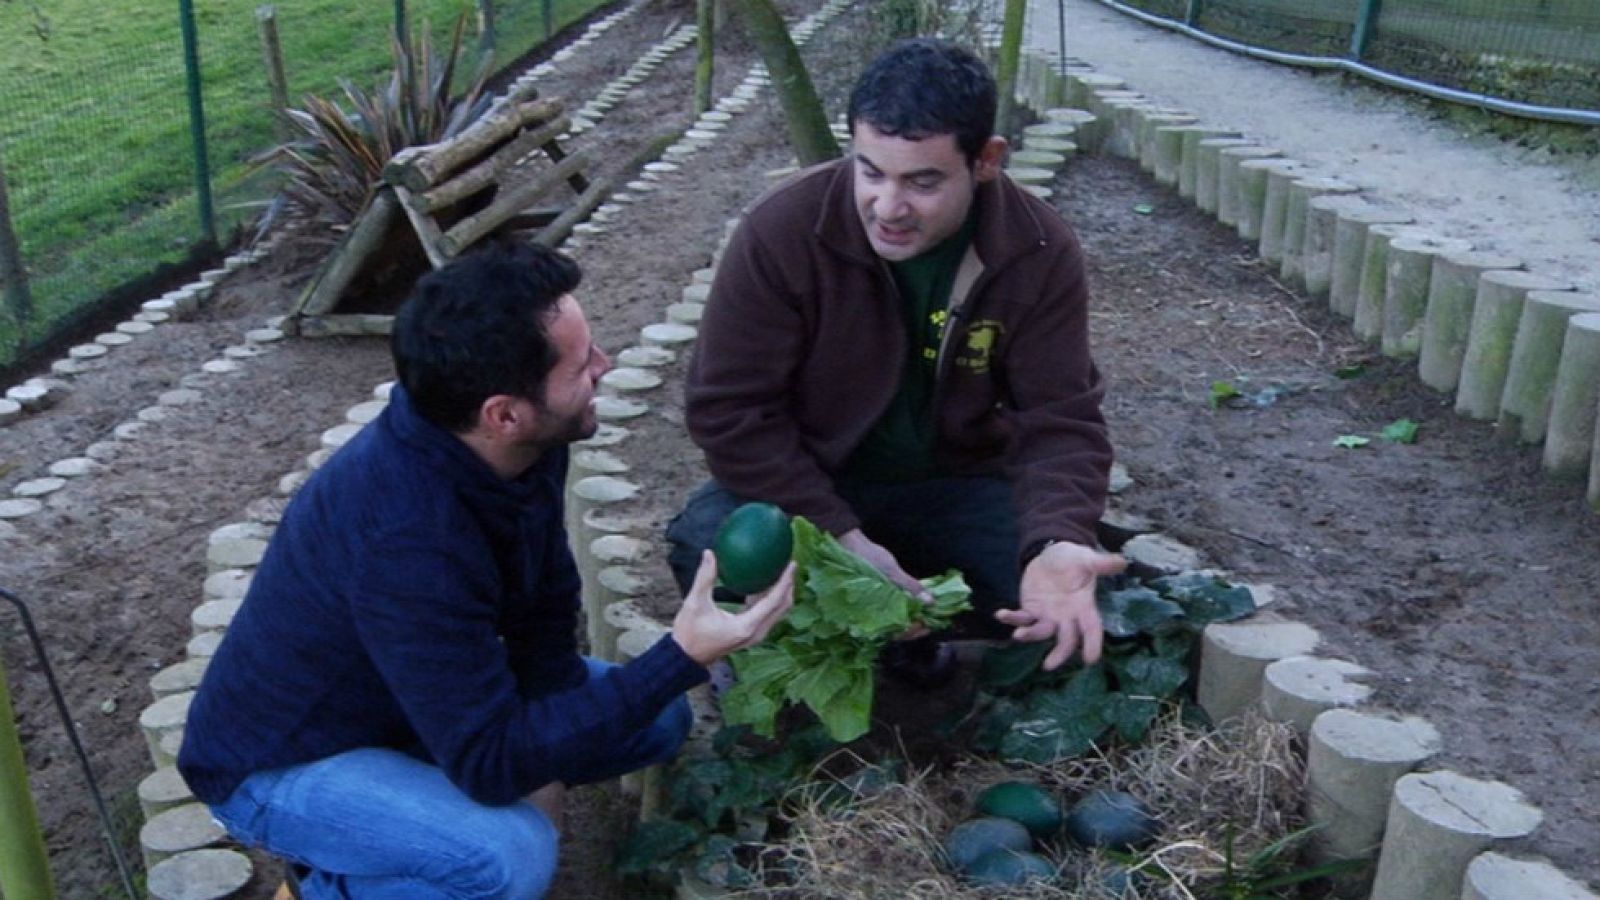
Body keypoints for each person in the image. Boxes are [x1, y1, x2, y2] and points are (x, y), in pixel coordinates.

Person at [178, 241, 794, 899]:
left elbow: (545, 610)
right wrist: (679, 655)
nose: (604, 367)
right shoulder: (406, 537)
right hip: (283, 763)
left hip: (411, 710)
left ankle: (407, 824)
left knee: (658, 719)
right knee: (508, 860)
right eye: (582, 364)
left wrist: (557, 724)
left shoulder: (521, 447)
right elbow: (490, 763)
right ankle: (325, 887)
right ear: (503, 413)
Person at [666, 38, 1122, 684]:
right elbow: (728, 412)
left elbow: (1061, 419)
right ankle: (780, 665)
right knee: (706, 540)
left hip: (956, 486)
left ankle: (911, 644)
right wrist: (842, 538)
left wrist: (1056, 540)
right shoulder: (781, 233)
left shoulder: (1039, 250)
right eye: (871, 171)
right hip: (817, 482)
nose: (887, 207)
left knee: (1066, 602)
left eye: (923, 181)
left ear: (986, 161)